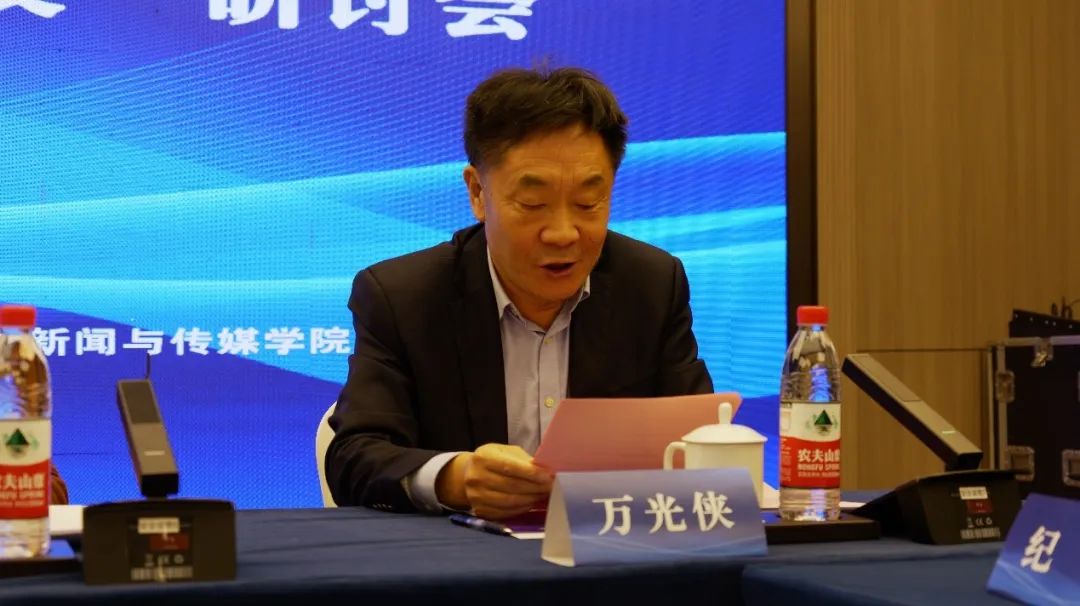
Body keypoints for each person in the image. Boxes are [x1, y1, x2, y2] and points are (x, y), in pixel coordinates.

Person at [326, 66, 713, 519]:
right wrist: (456, 478)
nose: (564, 233)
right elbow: (354, 456)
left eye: (589, 203)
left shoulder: (651, 285)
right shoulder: (403, 297)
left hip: (608, 549)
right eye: (533, 204)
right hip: (463, 556)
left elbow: (699, 441)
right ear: (478, 192)